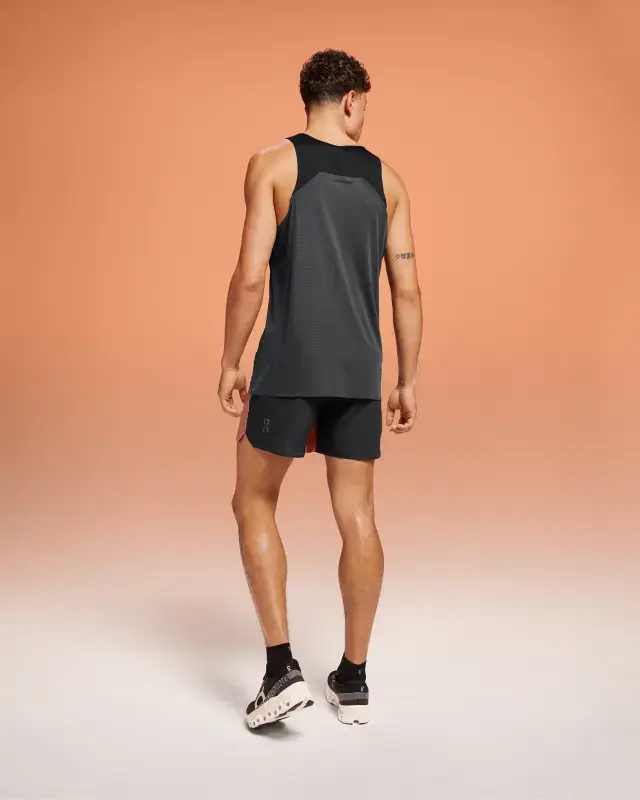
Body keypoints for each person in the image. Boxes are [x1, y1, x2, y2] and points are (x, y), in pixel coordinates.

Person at [218, 49, 422, 728]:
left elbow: (250, 275)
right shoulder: (389, 181)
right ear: (353, 99)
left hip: (289, 365)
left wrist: (230, 360)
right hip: (360, 371)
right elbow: (408, 290)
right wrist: (407, 379)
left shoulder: (272, 165)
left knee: (252, 499)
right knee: (358, 516)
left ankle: (281, 669)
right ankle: (353, 679)